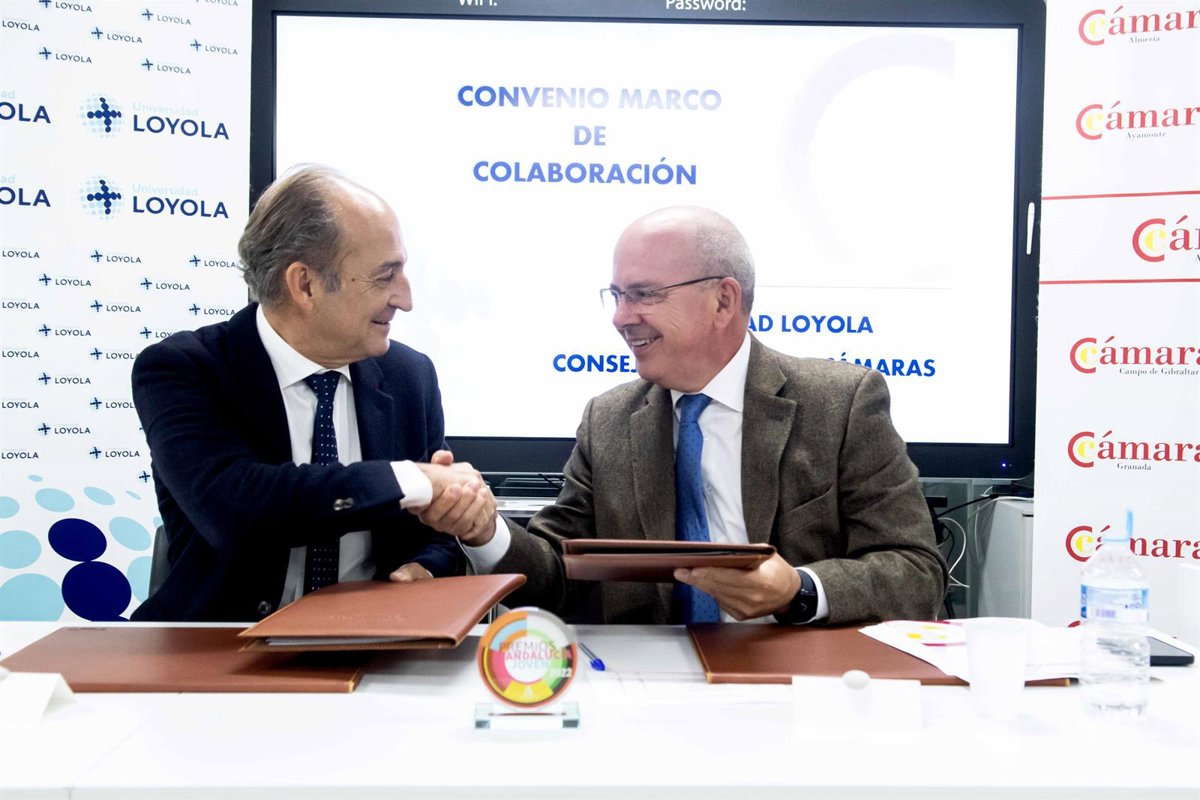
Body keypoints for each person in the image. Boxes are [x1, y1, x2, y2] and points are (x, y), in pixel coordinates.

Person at [427, 206, 947, 625]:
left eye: (643, 295)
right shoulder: (609, 420)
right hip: (650, 685)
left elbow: (916, 572)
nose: (621, 317)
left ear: (723, 301)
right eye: (617, 295)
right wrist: (485, 531)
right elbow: (555, 575)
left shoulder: (841, 403)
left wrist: (800, 590)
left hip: (801, 682)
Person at [131, 165, 492, 621]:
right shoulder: (185, 369)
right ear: (305, 284)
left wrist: (427, 566)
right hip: (217, 645)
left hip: (373, 644)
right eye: (384, 277)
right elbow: (233, 508)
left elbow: (434, 534)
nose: (405, 299)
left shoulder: (409, 376)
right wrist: (408, 480)